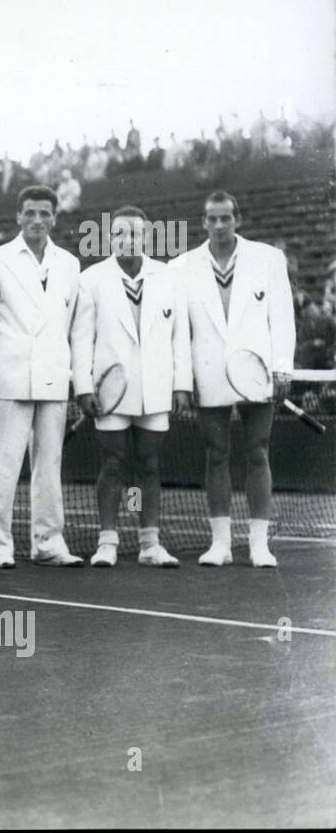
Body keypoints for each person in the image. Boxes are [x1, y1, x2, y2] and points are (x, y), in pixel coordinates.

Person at [170, 191, 296, 567]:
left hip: (256, 369)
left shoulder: (269, 259)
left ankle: (259, 545)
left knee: (258, 451)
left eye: (226, 218)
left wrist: (282, 366)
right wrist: (182, 379)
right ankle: (220, 544)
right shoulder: (181, 267)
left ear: (237, 219)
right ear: (203, 221)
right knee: (216, 454)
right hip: (207, 371)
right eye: (213, 218)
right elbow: (179, 332)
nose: (220, 225)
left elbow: (283, 317)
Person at [71, 207, 191, 567]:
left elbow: (180, 336)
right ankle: (107, 541)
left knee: (148, 465)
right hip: (109, 392)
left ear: (147, 238)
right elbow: (81, 339)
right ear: (110, 238)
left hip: (155, 388)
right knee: (113, 464)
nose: (128, 240)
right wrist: (83, 386)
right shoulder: (91, 279)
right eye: (120, 234)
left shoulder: (169, 277)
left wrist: (181, 383)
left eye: (136, 234)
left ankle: (148, 542)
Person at [0, 185, 85, 568]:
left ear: (55, 217)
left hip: (54, 378)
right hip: (10, 377)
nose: (37, 220)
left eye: (44, 213)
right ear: (18, 217)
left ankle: (48, 543)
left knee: (49, 465)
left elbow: (70, 324)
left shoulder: (70, 265)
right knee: (3, 466)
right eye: (30, 213)